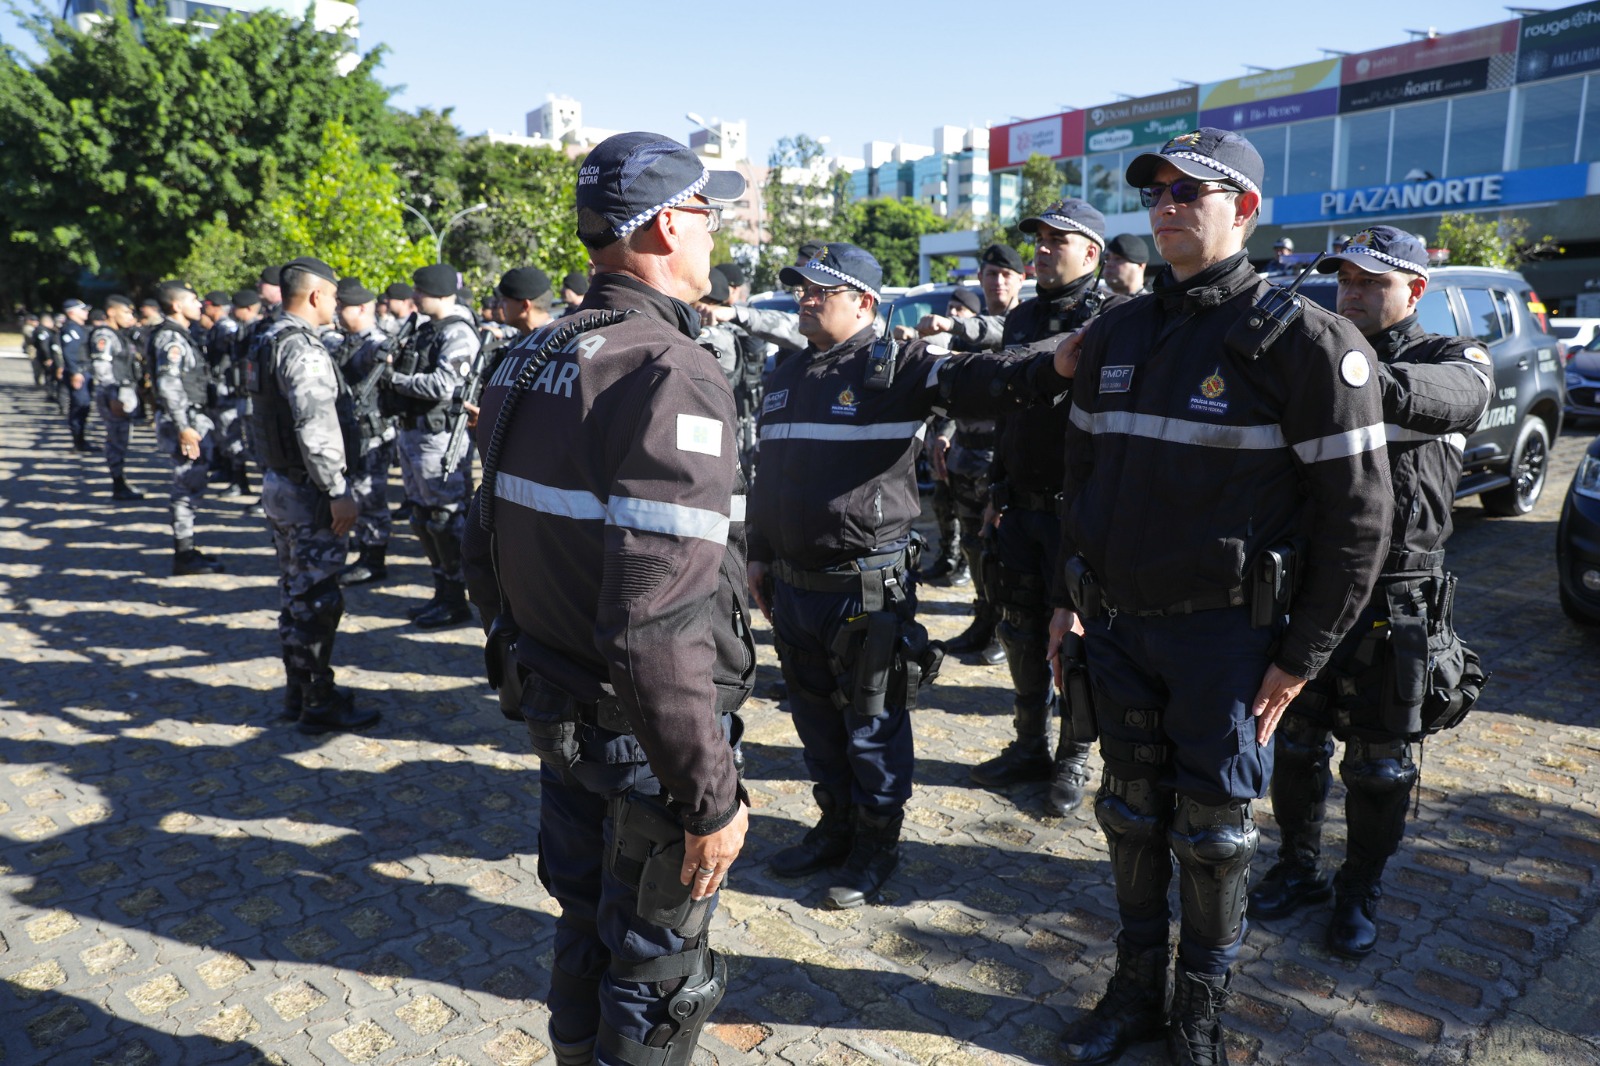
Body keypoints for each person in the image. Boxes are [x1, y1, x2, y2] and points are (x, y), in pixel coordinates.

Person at [1047, 128, 1392, 1065]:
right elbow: (1078, 482)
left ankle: (1198, 1014)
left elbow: (1359, 521)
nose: (1164, 205)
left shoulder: (1307, 341)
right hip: (1117, 628)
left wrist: (1298, 661)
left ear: (1241, 209)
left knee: (1213, 837)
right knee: (1128, 813)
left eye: (1187, 191)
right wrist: (1066, 598)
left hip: (1226, 642)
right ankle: (1131, 993)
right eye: (1154, 190)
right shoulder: (1116, 330)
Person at [462, 130, 753, 1066]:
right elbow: (654, 622)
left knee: (586, 931)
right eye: (711, 212)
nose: (718, 232)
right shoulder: (669, 370)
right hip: (642, 742)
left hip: (562, 709)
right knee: (660, 972)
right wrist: (711, 796)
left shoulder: (530, 353)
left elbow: (483, 546)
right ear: (668, 223)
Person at [749, 241, 1073, 909]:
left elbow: (989, 377)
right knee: (815, 720)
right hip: (793, 585)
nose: (806, 300)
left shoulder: (897, 366)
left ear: (865, 302)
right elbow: (765, 474)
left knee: (872, 723)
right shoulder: (786, 371)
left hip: (864, 589)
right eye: (801, 289)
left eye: (822, 290)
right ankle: (833, 826)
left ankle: (875, 846)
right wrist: (756, 551)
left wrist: (1058, 360)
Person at [1247, 226, 1492, 959]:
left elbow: (1454, 397)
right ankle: (1297, 867)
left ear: (1414, 289)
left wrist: (1333, 367)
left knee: (1380, 766)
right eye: (1344, 282)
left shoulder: (1453, 358)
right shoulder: (1318, 355)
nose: (1350, 296)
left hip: (1398, 601)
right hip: (1311, 586)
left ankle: (1360, 888)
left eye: (1370, 283)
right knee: (1292, 744)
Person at [969, 201, 1125, 819]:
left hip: (1076, 513)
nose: (1040, 249)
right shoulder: (1025, 315)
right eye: (1037, 239)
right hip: (1020, 508)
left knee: (1075, 642)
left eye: (1056, 241)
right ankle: (1029, 744)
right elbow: (1012, 411)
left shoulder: (1113, 317)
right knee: (1020, 630)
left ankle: (1073, 757)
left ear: (1091, 253)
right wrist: (995, 495)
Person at [245, 256, 377, 735]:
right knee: (318, 599)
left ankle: (298, 689)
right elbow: (315, 425)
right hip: (309, 491)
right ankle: (318, 702)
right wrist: (338, 489)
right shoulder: (303, 349)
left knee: (295, 593)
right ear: (317, 296)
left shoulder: (265, 338)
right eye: (335, 296)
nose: (338, 305)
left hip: (281, 482)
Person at [935, 244, 1028, 667]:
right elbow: (959, 393)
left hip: (1003, 459)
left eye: (1007, 274)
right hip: (966, 457)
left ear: (1021, 279)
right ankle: (982, 620)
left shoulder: (1023, 327)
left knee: (1002, 552)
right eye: (991, 274)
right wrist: (943, 433)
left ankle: (1003, 629)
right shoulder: (968, 332)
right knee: (973, 546)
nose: (998, 281)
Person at [384, 262, 481, 629]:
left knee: (444, 516)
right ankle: (441, 590)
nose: (414, 297)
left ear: (437, 291)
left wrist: (395, 380)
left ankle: (457, 598)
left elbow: (444, 385)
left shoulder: (458, 333)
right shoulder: (425, 329)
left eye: (420, 291)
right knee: (421, 516)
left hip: (439, 438)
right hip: (414, 435)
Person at [148, 281, 227, 576]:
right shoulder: (172, 339)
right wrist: (184, 426)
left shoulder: (180, 335)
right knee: (185, 487)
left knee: (189, 486)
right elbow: (169, 385)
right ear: (177, 305)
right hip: (185, 420)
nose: (200, 305)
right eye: (194, 300)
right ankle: (183, 554)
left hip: (190, 417)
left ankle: (187, 548)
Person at [329, 278, 396, 588]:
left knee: (370, 498)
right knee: (357, 492)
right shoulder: (345, 340)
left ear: (363, 308)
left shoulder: (378, 344)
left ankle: (374, 559)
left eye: (343, 307)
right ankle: (364, 550)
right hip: (350, 432)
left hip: (373, 433)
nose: (337, 312)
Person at [89, 296, 145, 501]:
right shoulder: (104, 335)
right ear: (112, 312)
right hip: (114, 393)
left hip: (123, 391)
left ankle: (120, 481)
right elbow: (102, 369)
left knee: (122, 438)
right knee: (116, 439)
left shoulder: (119, 334)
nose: (130, 317)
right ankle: (118, 484)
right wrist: (114, 396)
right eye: (126, 312)